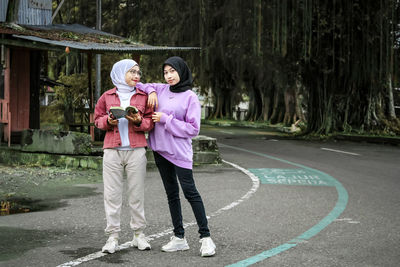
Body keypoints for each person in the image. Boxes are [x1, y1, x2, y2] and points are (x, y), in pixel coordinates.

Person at [136, 56, 216, 257]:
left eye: (172, 71)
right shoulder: (161, 89)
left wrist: (166, 119)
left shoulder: (190, 97)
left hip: (179, 153)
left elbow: (193, 129)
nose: (169, 76)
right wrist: (152, 90)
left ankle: (205, 238)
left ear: (182, 71)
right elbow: (140, 84)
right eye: (165, 72)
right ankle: (179, 237)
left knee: (190, 192)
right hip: (160, 150)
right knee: (171, 194)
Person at [94, 59, 154, 254]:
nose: (136, 76)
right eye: (132, 72)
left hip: (136, 151)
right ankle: (113, 237)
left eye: (138, 72)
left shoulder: (143, 96)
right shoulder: (107, 96)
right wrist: (108, 121)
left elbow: (149, 123)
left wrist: (138, 121)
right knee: (111, 196)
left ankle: (139, 234)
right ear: (120, 73)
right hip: (112, 150)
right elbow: (97, 120)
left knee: (136, 195)